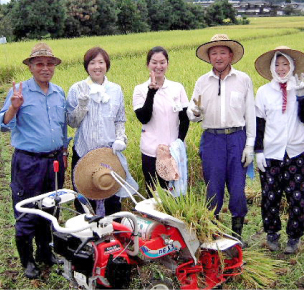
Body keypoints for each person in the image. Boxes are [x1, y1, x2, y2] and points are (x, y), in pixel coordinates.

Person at [0, 43, 68, 279]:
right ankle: (27, 260)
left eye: (50, 64)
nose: (45, 68)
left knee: (50, 208)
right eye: (39, 63)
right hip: (28, 163)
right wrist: (13, 108)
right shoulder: (19, 92)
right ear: (30, 67)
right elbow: (2, 124)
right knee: (27, 209)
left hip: (55, 161)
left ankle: (45, 252)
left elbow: (62, 128)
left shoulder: (59, 92)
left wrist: (65, 153)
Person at [187, 34, 256, 242]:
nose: (218, 57)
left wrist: (250, 145)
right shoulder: (202, 82)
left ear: (231, 55)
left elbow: (250, 114)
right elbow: (192, 114)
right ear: (208, 57)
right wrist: (196, 112)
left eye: (222, 52)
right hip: (212, 140)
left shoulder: (243, 80)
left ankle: (236, 235)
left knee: (237, 190)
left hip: (237, 138)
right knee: (213, 189)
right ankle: (214, 235)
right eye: (214, 53)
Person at [67, 46, 136, 216]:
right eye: (92, 63)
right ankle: (87, 239)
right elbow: (72, 122)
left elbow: (120, 119)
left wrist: (121, 138)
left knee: (111, 197)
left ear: (107, 65)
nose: (97, 66)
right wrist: (82, 106)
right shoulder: (77, 89)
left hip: (108, 154)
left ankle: (113, 237)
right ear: (86, 66)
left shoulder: (116, 90)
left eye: (101, 62)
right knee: (84, 201)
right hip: (83, 153)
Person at [254, 46, 304, 254]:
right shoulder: (264, 92)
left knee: (298, 198)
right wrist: (258, 151)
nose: (281, 69)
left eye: (285, 64)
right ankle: (272, 234)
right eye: (277, 65)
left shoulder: (301, 87)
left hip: (297, 151)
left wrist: (301, 96)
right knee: (270, 196)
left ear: (292, 66)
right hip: (272, 152)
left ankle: (294, 237)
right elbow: (259, 123)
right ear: (272, 68)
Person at [133, 46, 190, 196]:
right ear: (148, 65)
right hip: (151, 151)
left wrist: (178, 142)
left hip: (174, 152)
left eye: (162, 62)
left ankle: (172, 219)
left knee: (175, 194)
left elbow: (184, 118)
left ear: (167, 64)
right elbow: (144, 118)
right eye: (154, 62)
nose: (158, 66)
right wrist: (151, 92)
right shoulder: (140, 90)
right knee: (155, 195)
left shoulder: (177, 88)